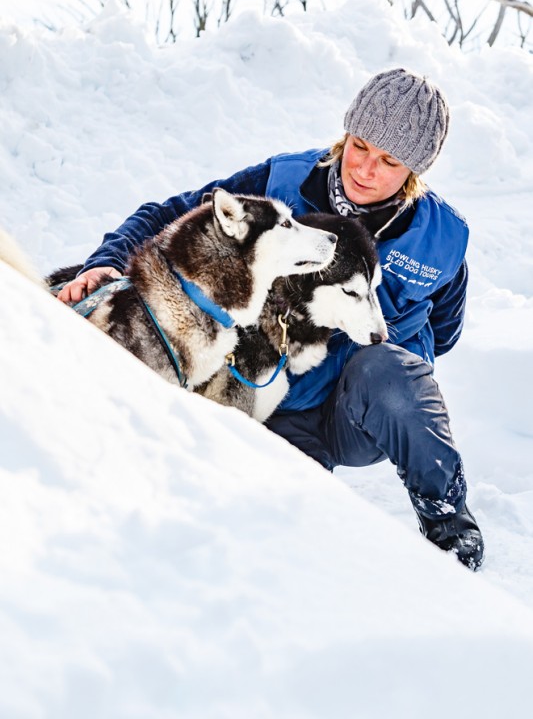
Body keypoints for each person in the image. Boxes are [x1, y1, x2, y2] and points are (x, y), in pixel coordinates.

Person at [58, 67, 485, 570]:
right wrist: (103, 264)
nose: (366, 169)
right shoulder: (283, 184)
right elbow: (173, 216)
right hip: (263, 399)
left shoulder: (442, 239)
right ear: (345, 135)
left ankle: (448, 522)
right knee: (263, 537)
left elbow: (446, 332)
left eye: (389, 161)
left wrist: (391, 362)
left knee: (390, 371)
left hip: (355, 411)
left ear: (414, 173)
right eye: (360, 146)